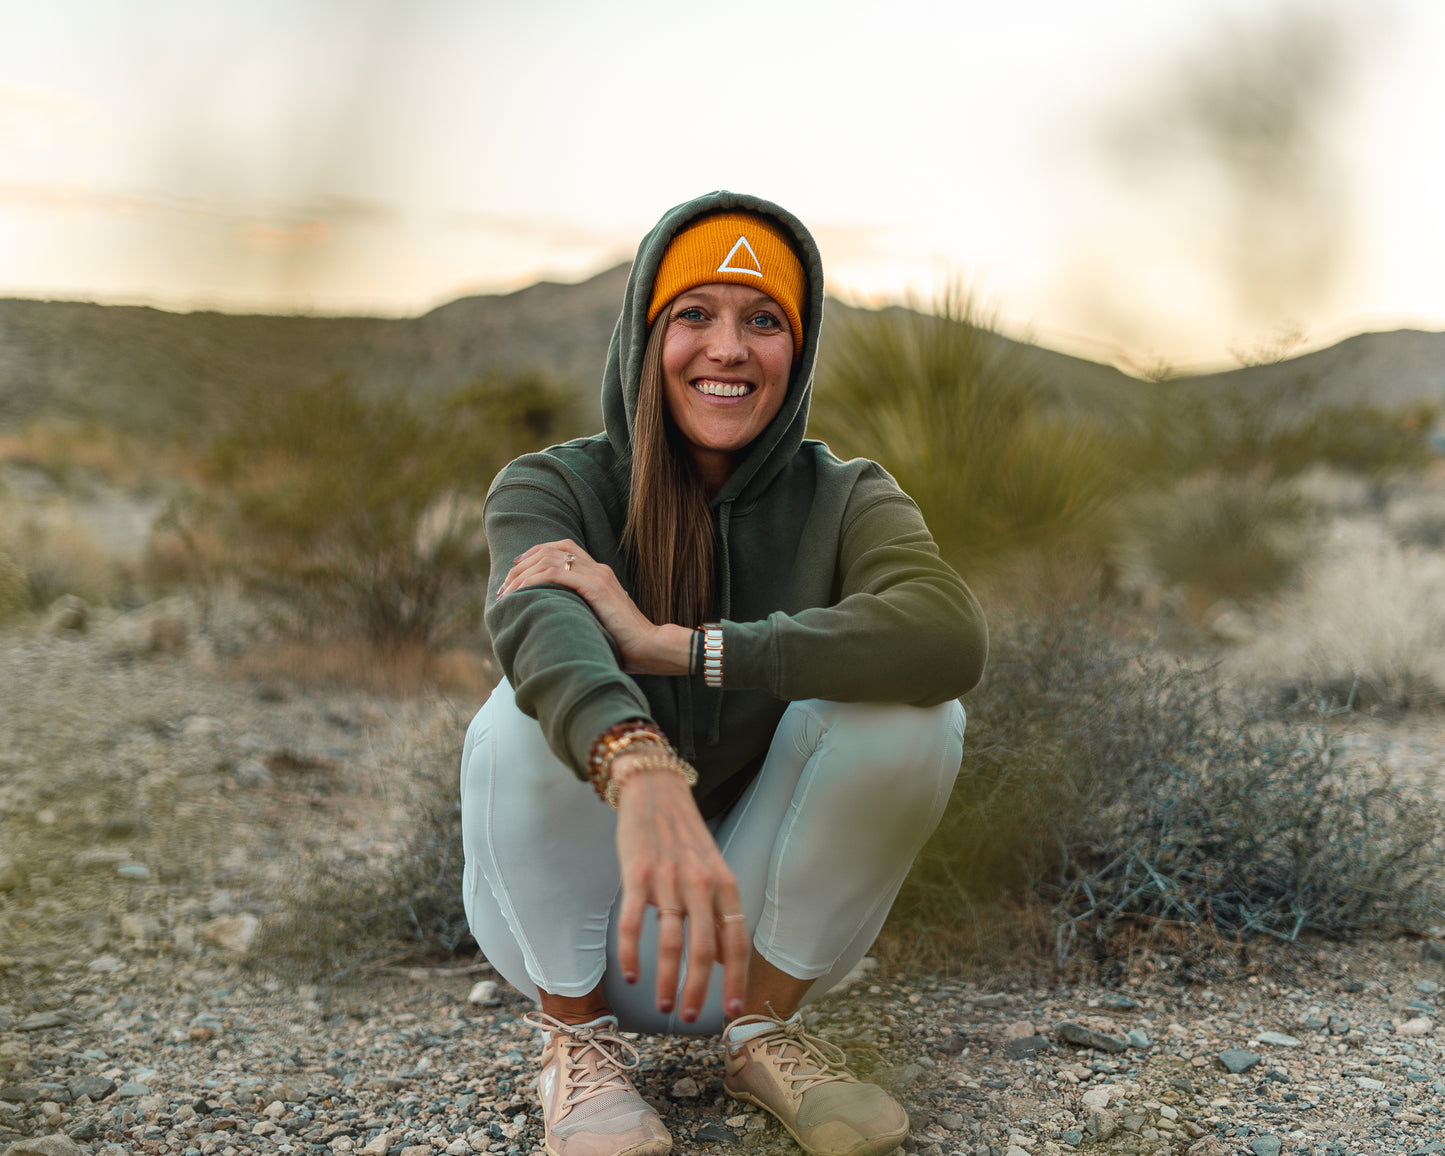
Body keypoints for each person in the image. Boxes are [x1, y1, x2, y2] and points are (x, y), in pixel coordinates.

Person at [459, 191, 987, 1156]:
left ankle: (761, 1035)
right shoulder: (553, 485)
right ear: (645, 332)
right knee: (517, 711)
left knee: (919, 716)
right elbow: (537, 621)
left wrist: (686, 645)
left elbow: (947, 632)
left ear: (799, 345)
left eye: (764, 320)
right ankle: (573, 1049)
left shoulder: (848, 496)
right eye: (694, 313)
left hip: (750, 930)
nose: (728, 348)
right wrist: (638, 764)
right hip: (578, 917)